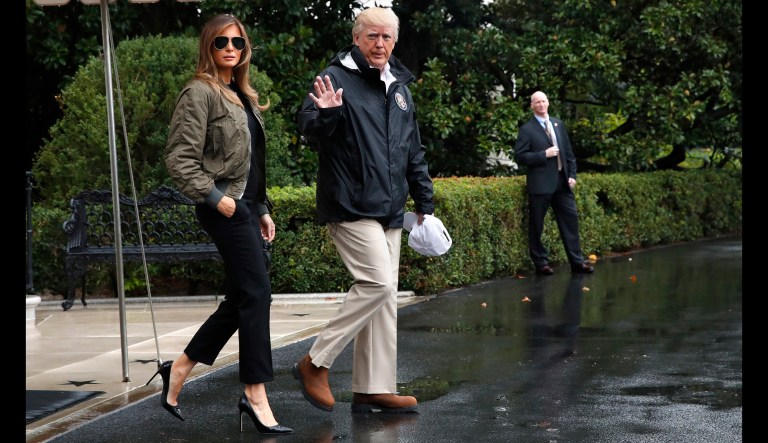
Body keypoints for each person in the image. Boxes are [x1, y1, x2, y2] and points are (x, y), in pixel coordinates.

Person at [150, 14, 292, 434]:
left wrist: (261, 208)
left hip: (245, 207)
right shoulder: (199, 92)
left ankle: (179, 369)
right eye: (221, 42)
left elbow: (252, 163)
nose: (230, 48)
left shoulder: (242, 94)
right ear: (208, 47)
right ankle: (254, 393)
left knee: (243, 296)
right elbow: (179, 159)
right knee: (257, 292)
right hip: (223, 209)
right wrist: (219, 200)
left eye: (237, 42)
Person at [294, 6, 435, 414]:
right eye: (372, 36)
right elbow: (307, 126)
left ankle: (373, 387)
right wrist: (327, 114)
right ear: (356, 38)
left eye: (386, 37)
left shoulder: (399, 88)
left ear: (395, 41)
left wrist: (424, 202)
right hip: (351, 203)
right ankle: (314, 363)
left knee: (385, 299)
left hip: (390, 208)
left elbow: (412, 150)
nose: (379, 43)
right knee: (377, 284)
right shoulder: (334, 77)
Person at [514, 91, 594, 275]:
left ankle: (577, 262)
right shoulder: (527, 129)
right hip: (540, 185)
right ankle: (541, 263)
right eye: (537, 102)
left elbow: (568, 152)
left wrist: (572, 174)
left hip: (562, 183)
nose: (541, 104)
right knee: (537, 225)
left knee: (570, 222)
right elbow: (520, 156)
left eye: (543, 101)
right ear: (532, 106)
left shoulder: (558, 124)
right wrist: (544, 154)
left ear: (548, 103)